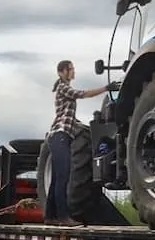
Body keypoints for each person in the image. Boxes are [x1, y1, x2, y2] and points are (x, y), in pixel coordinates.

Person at [47, 60, 116, 226]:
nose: (73, 72)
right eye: (71, 69)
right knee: (63, 177)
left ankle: (50, 216)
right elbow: (83, 94)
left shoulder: (63, 88)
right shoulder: (64, 87)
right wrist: (106, 88)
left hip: (62, 136)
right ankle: (63, 217)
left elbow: (67, 113)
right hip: (60, 135)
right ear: (62, 72)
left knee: (57, 178)